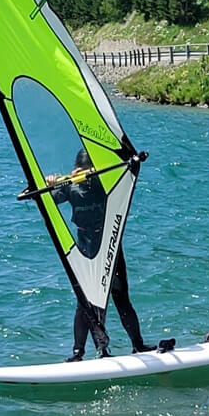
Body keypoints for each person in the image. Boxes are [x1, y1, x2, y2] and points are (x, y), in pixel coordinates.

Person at [46, 148, 154, 360]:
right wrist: (51, 184)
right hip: (85, 246)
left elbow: (124, 178)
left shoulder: (104, 182)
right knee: (85, 301)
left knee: (121, 296)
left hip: (109, 244)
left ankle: (138, 345)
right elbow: (51, 201)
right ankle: (78, 353)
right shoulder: (70, 186)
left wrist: (129, 164)